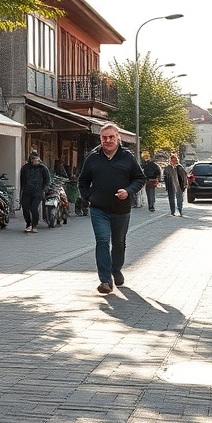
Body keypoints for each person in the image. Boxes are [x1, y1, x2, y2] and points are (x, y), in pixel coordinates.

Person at [78, 123, 145, 294]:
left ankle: (116, 269)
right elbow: (82, 181)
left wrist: (128, 191)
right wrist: (88, 197)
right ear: (100, 139)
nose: (107, 140)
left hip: (121, 209)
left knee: (119, 243)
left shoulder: (127, 157)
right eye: (104, 137)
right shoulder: (92, 158)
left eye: (111, 137)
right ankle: (105, 280)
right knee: (102, 241)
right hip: (99, 209)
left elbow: (139, 179)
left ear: (118, 138)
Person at [19, 150, 51, 234]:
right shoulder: (25, 168)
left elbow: (47, 180)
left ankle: (34, 225)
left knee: (34, 208)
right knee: (25, 208)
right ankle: (28, 223)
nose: (33, 160)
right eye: (32, 158)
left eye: (34, 158)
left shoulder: (42, 168)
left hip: (37, 192)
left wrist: (43, 190)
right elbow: (22, 180)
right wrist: (22, 190)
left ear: (38, 159)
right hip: (27, 191)